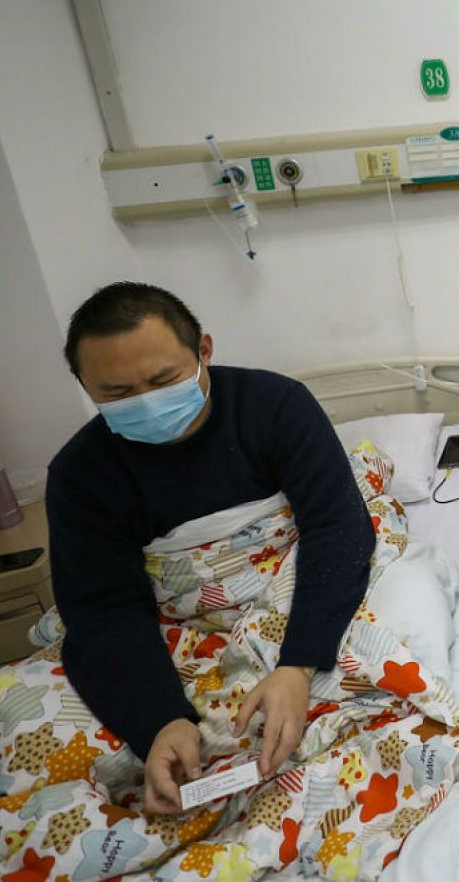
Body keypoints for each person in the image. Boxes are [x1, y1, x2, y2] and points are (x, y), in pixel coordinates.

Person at [47, 282, 374, 815]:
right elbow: (102, 610)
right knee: (42, 736)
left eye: (162, 380)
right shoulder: (78, 475)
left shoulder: (275, 405)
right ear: (84, 386)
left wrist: (298, 665)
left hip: (295, 588)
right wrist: (159, 721)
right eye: (117, 394)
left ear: (204, 350)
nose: (146, 403)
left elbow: (339, 529)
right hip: (177, 619)